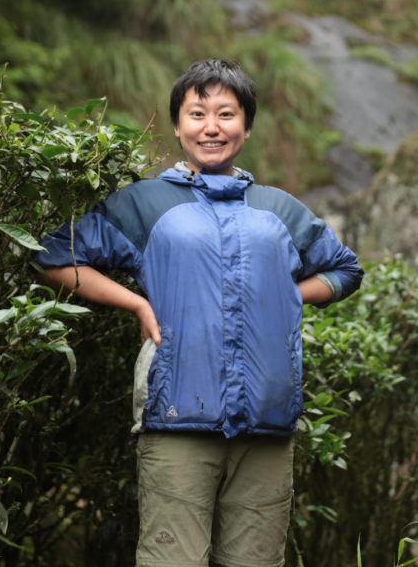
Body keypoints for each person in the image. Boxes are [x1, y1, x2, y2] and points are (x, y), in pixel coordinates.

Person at [34, 59, 363, 567]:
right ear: (178, 126)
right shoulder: (146, 204)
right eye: (197, 114)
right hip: (176, 422)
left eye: (226, 114)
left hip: (267, 428)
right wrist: (136, 301)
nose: (212, 127)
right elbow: (56, 257)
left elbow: (344, 269)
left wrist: (285, 296)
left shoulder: (278, 209)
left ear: (247, 127)